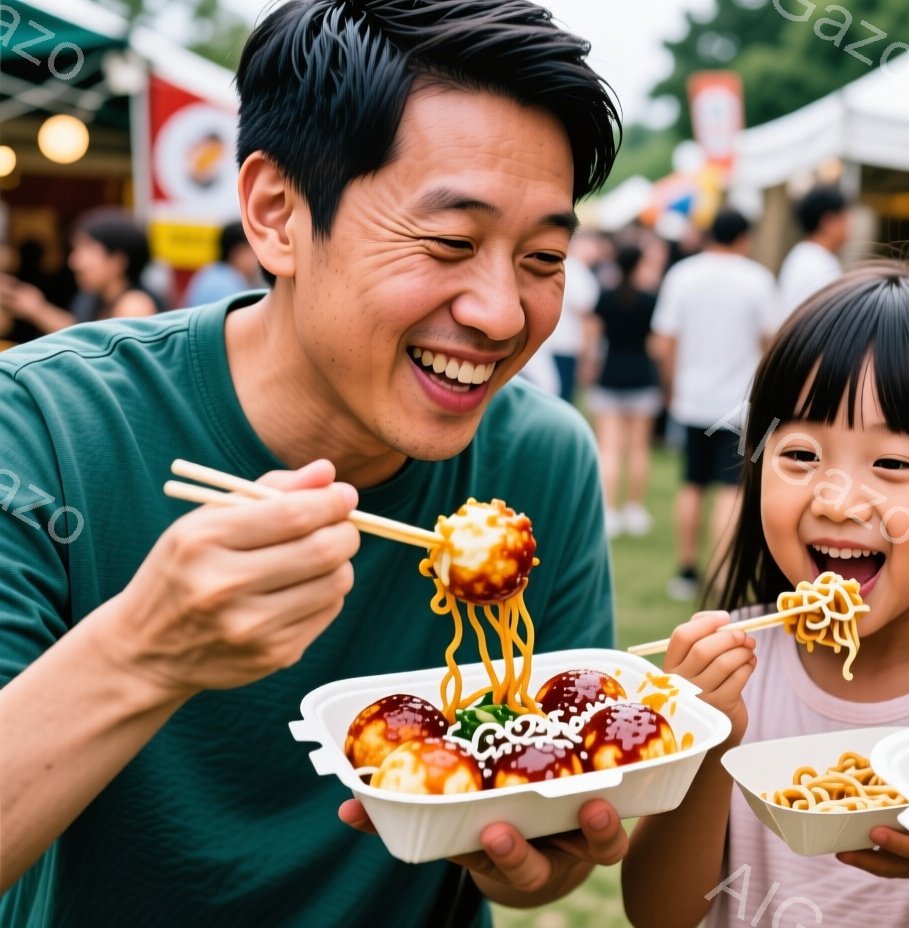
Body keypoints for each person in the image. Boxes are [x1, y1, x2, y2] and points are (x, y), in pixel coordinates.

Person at [0, 1, 629, 924]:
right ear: (277, 214)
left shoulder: (541, 458)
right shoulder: (45, 426)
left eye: (543, 256)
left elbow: (552, 835)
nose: (503, 314)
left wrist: (530, 857)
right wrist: (144, 650)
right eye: (451, 242)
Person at [621, 263, 909, 928]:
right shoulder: (732, 669)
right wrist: (710, 737)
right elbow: (658, 915)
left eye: (891, 464)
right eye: (802, 456)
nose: (836, 501)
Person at [651, 208, 780, 601]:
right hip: (740, 404)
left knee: (691, 484)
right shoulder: (756, 279)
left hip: (692, 398)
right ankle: (723, 577)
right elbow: (771, 341)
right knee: (731, 489)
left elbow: (664, 341)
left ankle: (686, 570)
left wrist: (671, 388)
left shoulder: (682, 274)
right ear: (744, 237)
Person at [585, 243, 660, 538]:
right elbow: (656, 343)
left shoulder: (605, 296)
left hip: (610, 375)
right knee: (639, 449)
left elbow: (591, 338)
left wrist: (588, 365)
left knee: (610, 449)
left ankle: (610, 511)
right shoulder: (650, 299)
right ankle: (634, 509)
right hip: (642, 376)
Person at [0, 208, 163, 333]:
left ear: (117, 261)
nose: (74, 262)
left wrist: (37, 309)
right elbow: (79, 332)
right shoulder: (93, 299)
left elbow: (96, 352)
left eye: (86, 249)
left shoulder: (135, 305)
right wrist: (35, 307)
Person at [523, 230, 600, 400]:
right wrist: (588, 357)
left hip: (550, 344)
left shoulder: (561, 267)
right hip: (566, 347)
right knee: (561, 399)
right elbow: (587, 320)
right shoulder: (578, 272)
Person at [777, 184, 848, 316]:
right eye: (844, 218)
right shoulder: (819, 265)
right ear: (828, 222)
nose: (849, 225)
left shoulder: (804, 255)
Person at [183, 222, 265, 307]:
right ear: (238, 252)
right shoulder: (227, 283)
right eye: (252, 250)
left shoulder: (210, 273)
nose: (258, 256)